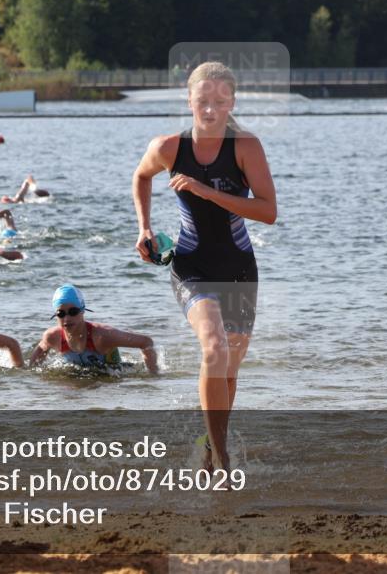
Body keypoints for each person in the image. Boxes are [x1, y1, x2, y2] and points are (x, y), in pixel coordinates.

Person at [132, 61, 276, 472]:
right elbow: (141, 178)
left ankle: (213, 444)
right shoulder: (169, 148)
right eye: (202, 101)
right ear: (189, 100)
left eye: (219, 101)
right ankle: (223, 459)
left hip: (238, 265)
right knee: (213, 347)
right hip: (191, 263)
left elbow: (268, 211)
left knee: (229, 364)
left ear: (231, 102)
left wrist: (205, 192)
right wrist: (144, 228)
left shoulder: (246, 147)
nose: (210, 110)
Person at [28, 285, 158, 373]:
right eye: (61, 314)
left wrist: (152, 376)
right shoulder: (52, 337)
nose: (67, 318)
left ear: (82, 310)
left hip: (112, 378)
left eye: (73, 311)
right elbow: (38, 355)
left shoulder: (102, 336)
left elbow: (145, 342)